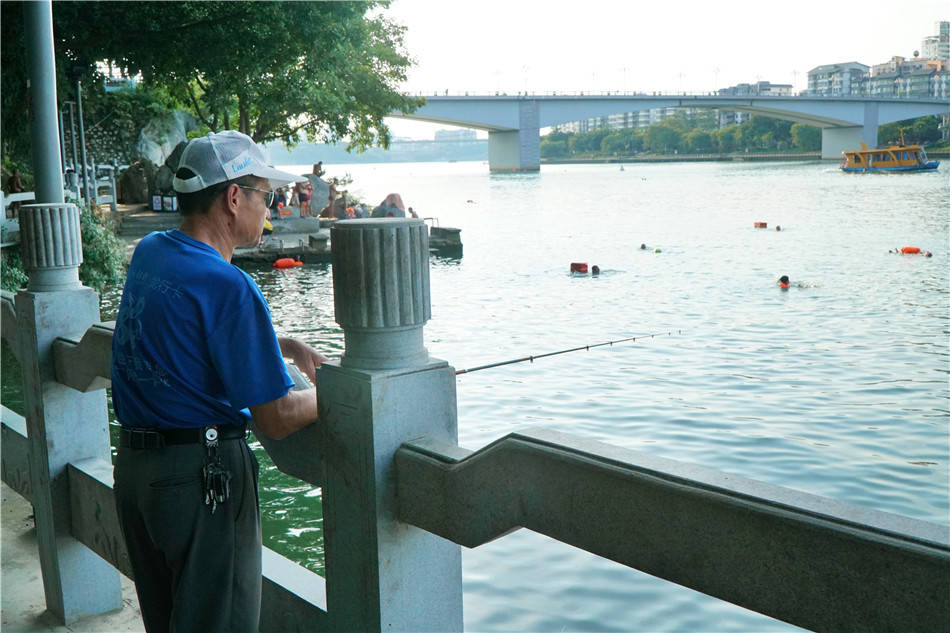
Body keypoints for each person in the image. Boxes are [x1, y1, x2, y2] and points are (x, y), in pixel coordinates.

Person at [111, 130, 327, 633]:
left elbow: (184, 338)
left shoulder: (152, 252)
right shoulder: (231, 284)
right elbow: (274, 417)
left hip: (139, 475)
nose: (268, 208)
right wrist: (336, 393)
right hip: (201, 483)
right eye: (265, 195)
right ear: (233, 198)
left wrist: (281, 345)